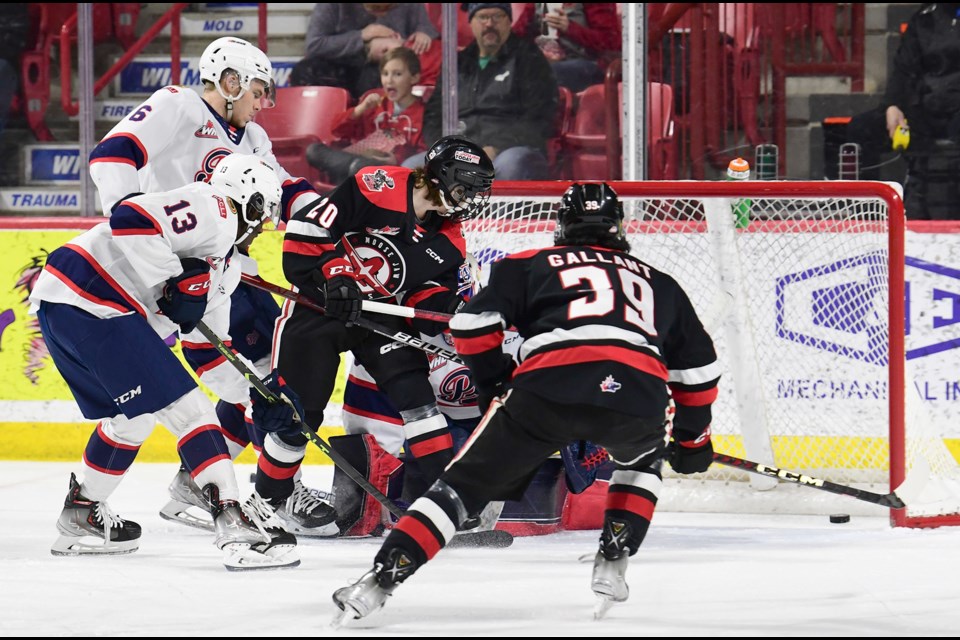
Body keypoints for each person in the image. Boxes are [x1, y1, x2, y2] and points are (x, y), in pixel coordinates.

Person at [331, 182, 721, 624]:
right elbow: (698, 374)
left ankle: (378, 582)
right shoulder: (660, 283)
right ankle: (614, 558)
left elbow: (472, 325)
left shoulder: (529, 263)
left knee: (456, 491)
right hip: (636, 396)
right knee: (642, 462)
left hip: (545, 390)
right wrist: (692, 441)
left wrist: (494, 382)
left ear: (562, 226)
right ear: (619, 227)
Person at [88, 36, 337, 537]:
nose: (263, 102)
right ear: (230, 80)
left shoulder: (252, 138)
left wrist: (329, 212)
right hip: (179, 272)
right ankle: (278, 494)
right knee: (261, 385)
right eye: (258, 90)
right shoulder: (178, 105)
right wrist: (143, 235)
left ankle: (192, 485)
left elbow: (283, 187)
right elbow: (110, 157)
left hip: (229, 268)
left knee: (271, 379)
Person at [30, 153, 302, 570]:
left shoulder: (225, 267)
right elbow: (130, 217)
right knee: (190, 413)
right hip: (93, 296)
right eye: (265, 213)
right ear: (250, 200)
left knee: (132, 419)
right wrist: (173, 278)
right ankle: (234, 523)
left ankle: (82, 511)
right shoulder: (215, 207)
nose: (264, 226)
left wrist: (255, 395)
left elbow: (204, 348)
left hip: (70, 305)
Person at [247, 135, 495, 537]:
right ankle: (269, 499)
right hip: (320, 309)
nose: (473, 200)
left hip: (377, 319)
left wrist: (447, 313)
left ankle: (444, 503)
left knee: (419, 403)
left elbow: (424, 294)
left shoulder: (449, 238)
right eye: (469, 187)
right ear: (445, 177)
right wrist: (333, 275)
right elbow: (308, 228)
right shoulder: (376, 185)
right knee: (297, 415)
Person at [406, 3, 559, 181]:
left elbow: (539, 117)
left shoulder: (529, 58)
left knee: (510, 165)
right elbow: (434, 115)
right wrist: (446, 149)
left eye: (497, 17)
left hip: (510, 149)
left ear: (509, 21)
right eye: (483, 17)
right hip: (462, 151)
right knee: (410, 170)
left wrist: (495, 147)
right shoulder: (458, 63)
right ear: (471, 22)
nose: (489, 24)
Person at [843, 3, 960, 219]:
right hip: (927, 109)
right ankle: (867, 220)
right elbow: (904, 69)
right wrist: (893, 105)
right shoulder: (924, 17)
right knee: (861, 129)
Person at [306, 46, 427, 185]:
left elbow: (421, 156)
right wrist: (360, 109)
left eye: (397, 74)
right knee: (314, 150)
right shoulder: (374, 103)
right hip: (358, 158)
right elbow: (337, 131)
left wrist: (396, 160)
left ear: (414, 77)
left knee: (358, 168)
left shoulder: (424, 113)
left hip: (389, 172)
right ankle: (350, 172)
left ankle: (348, 176)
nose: (389, 80)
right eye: (385, 74)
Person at [292, 3, 438, 101]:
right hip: (340, 66)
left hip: (384, 67)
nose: (381, 15)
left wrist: (423, 34)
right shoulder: (331, 6)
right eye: (375, 9)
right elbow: (314, 45)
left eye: (388, 9)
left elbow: (428, 30)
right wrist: (362, 37)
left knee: (387, 76)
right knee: (305, 70)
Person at [514, 3, 621, 93]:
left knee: (540, 75)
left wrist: (569, 27)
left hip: (589, 63)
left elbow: (610, 42)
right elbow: (517, 35)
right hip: (546, 63)